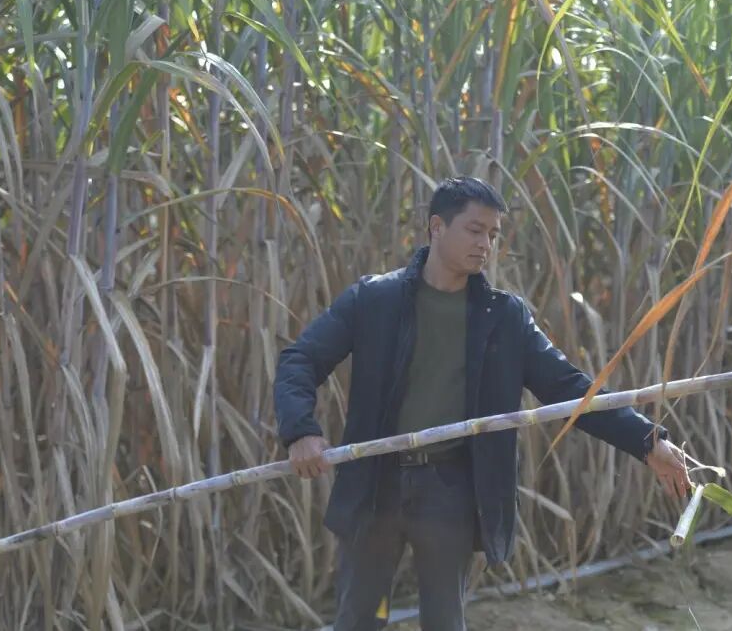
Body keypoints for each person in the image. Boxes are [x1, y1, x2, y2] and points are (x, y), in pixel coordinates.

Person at [273, 176, 691, 631]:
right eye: (475, 230)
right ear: (436, 227)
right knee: (360, 618)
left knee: (444, 621)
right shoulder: (375, 300)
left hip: (449, 489)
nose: (485, 244)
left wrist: (646, 440)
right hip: (375, 484)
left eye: (493, 234)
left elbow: (568, 387)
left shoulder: (504, 317)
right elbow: (301, 359)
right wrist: (301, 431)